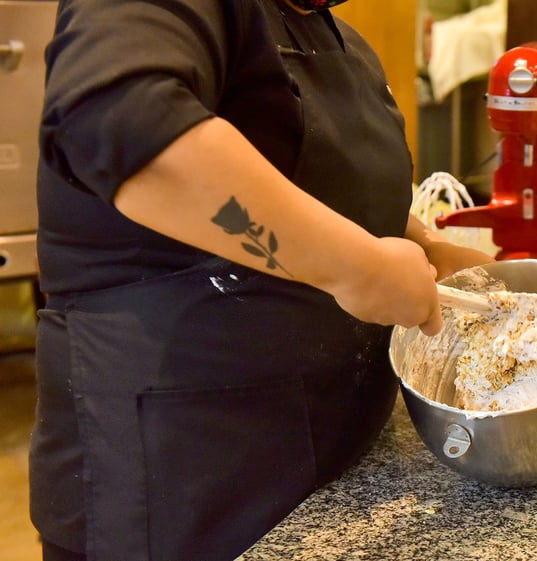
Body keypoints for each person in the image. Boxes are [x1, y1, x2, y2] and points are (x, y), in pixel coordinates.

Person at [30, 1, 494, 559]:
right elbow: (123, 120)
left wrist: (420, 246)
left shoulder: (340, 41)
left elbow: (325, 187)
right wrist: (358, 266)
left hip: (330, 474)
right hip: (180, 483)